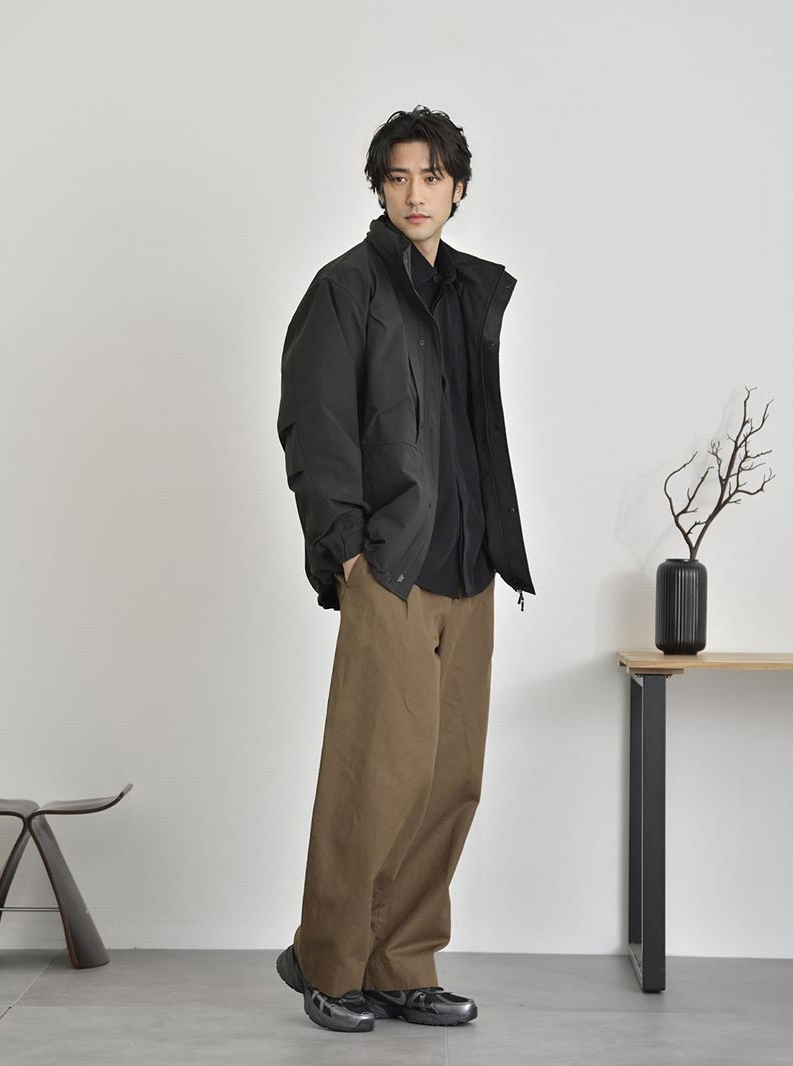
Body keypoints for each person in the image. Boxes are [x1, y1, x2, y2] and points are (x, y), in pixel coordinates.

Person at [275, 105, 535, 1033]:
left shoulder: (469, 291)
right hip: (388, 567)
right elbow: (314, 428)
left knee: (448, 779)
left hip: (468, 561)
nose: (415, 193)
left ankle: (402, 962)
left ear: (458, 187)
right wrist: (345, 551)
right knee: (374, 774)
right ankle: (329, 961)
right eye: (398, 177)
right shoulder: (345, 288)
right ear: (380, 188)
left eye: (431, 176)